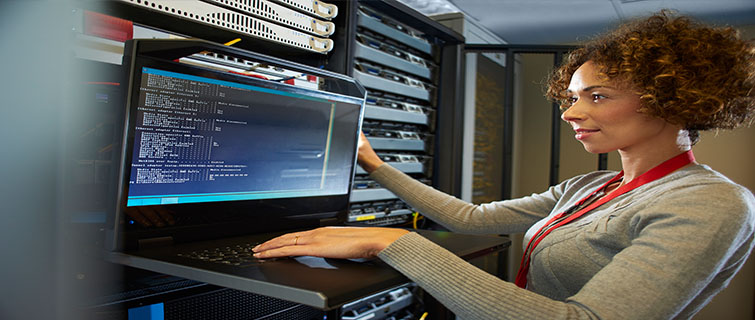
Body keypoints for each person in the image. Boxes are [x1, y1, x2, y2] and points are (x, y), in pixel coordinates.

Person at [253, 11, 755, 319]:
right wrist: (373, 163)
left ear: (672, 100)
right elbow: (472, 220)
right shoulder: (593, 186)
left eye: (597, 97)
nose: (570, 112)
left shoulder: (711, 202)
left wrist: (396, 243)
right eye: (574, 96)